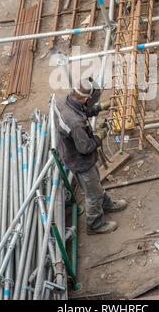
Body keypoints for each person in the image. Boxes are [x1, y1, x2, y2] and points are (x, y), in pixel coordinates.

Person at [54, 78, 127, 235]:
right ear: (86, 98)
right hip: (80, 160)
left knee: (95, 185)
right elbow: (86, 147)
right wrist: (100, 135)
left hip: (71, 149)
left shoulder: (64, 101)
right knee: (92, 194)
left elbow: (82, 110)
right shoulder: (75, 123)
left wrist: (100, 107)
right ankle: (94, 225)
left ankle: (106, 204)